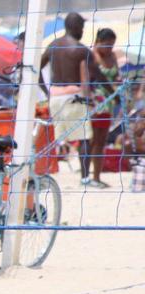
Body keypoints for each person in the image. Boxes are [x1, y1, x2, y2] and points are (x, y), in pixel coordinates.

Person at [40, 12, 97, 187]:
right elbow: (87, 78)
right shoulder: (82, 50)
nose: (83, 30)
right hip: (75, 96)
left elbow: (36, 71)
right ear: (76, 27)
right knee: (85, 138)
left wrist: (47, 91)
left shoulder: (53, 46)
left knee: (57, 138)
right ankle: (85, 177)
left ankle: (46, 173)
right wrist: (89, 99)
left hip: (55, 97)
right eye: (82, 27)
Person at [89, 28, 119, 188]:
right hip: (95, 103)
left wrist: (119, 82)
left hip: (109, 102)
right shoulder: (91, 56)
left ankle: (96, 176)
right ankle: (90, 176)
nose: (110, 49)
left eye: (112, 45)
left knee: (102, 140)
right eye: (107, 45)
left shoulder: (112, 56)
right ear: (98, 42)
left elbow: (115, 76)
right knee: (93, 140)